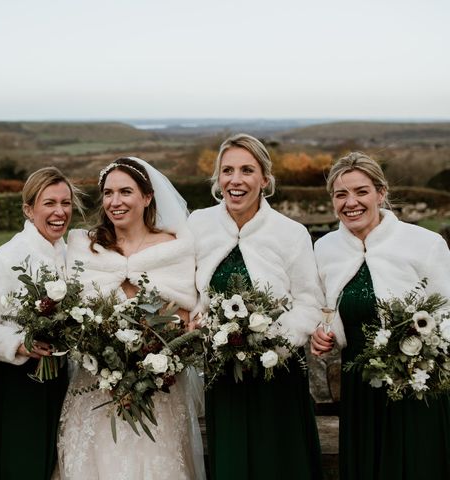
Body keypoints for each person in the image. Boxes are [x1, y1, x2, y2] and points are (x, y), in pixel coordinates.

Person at [55, 157, 205, 480]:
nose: (115, 201)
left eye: (126, 192)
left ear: (147, 197)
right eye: (108, 193)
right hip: (96, 389)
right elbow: (75, 318)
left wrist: (150, 361)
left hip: (158, 391)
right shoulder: (86, 248)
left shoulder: (174, 248)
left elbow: (182, 316)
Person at [188, 133, 324, 479]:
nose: (236, 180)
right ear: (218, 178)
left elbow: (309, 302)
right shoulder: (198, 225)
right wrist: (199, 324)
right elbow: (189, 293)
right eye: (227, 170)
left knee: (278, 462)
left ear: (265, 178)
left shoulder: (290, 232)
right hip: (223, 374)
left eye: (247, 170)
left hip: (277, 374)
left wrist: (271, 344)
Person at [310, 152, 450, 479]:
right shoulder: (325, 248)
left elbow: (447, 310)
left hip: (417, 382)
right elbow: (323, 309)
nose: (351, 202)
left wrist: (421, 349)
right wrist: (321, 332)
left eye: (361, 191)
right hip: (360, 385)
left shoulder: (425, 244)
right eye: (341, 194)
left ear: (381, 193)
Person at [0, 167, 83, 480]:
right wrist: (18, 344)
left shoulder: (75, 254)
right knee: (21, 464)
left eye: (66, 203)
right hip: (19, 383)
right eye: (49, 203)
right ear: (28, 209)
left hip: (64, 380)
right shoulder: (5, 258)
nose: (60, 212)